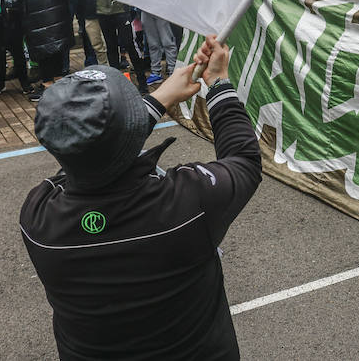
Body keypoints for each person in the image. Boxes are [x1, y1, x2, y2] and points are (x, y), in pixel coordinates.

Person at [21, 36, 262, 360]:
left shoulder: (37, 219)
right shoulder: (188, 204)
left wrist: (158, 99)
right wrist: (218, 83)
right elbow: (244, 160)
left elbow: (91, 155)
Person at [0, 0, 74, 101]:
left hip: (39, 7)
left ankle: (47, 85)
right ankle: (60, 84)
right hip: (56, 3)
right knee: (56, 44)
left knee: (43, 46)